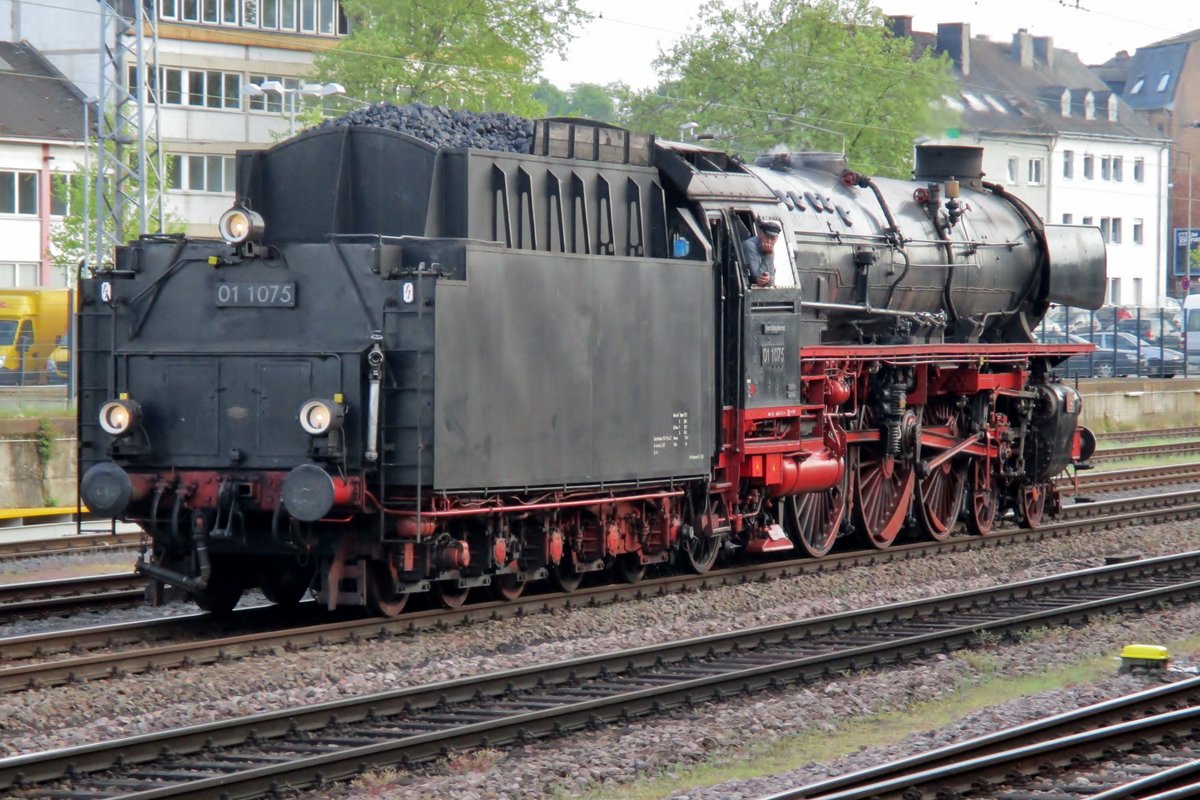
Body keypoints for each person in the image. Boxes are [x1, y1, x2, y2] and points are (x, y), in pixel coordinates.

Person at [742, 219, 781, 286]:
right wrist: (768, 255)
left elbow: (771, 276)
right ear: (760, 234)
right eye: (767, 237)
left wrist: (769, 279)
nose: (769, 241)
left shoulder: (770, 249)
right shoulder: (750, 245)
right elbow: (758, 275)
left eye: (772, 238)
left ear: (777, 239)